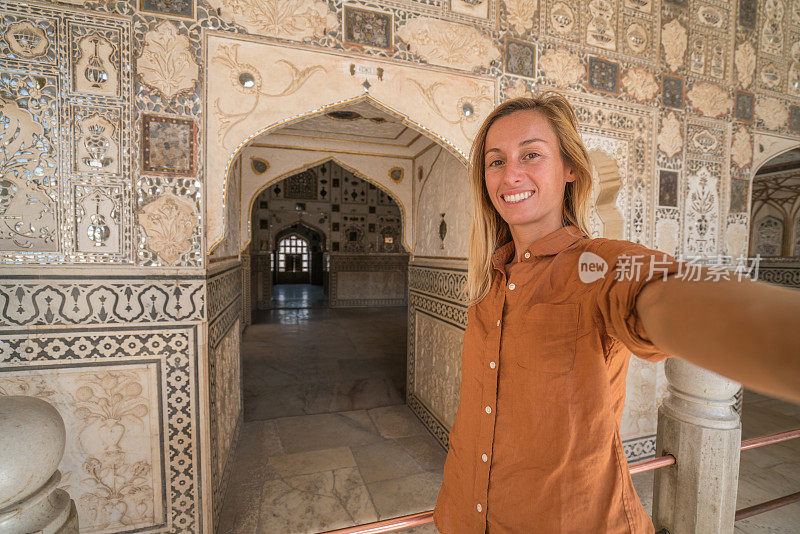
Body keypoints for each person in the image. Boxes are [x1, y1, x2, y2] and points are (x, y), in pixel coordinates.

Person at [432, 92, 800, 533]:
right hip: (463, 512)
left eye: (531, 155)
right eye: (496, 161)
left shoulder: (599, 266)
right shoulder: (490, 279)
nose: (511, 174)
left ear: (570, 169)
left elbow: (661, 293)